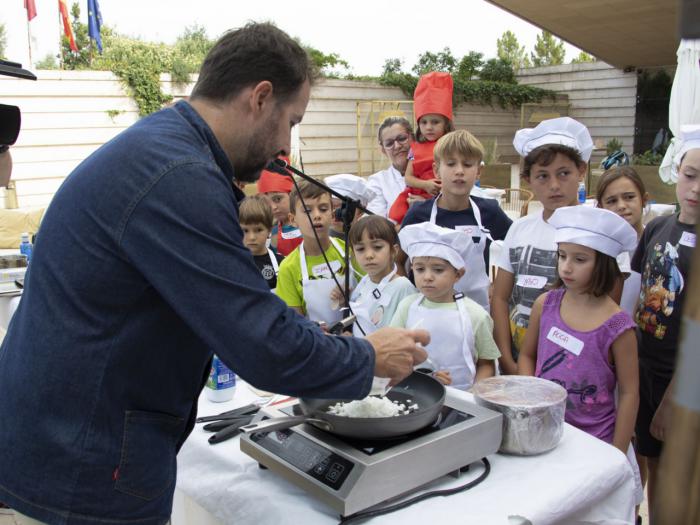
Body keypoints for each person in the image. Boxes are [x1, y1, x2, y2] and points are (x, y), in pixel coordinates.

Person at [0, 23, 429, 525]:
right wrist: (367, 356)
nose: (284, 148)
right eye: (291, 121)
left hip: (67, 443)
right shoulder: (178, 176)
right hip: (80, 469)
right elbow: (262, 344)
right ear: (261, 98)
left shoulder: (162, 148)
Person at [517, 205, 643, 505]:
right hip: (544, 433)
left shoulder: (618, 326)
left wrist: (616, 454)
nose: (566, 268)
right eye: (562, 256)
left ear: (603, 264)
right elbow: (527, 356)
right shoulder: (546, 304)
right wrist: (532, 398)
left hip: (595, 442)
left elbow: (629, 393)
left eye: (580, 259)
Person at [631, 124, 699, 522]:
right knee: (652, 460)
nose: (696, 189)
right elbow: (639, 294)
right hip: (646, 368)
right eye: (691, 175)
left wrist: (674, 400)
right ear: (677, 172)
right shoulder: (657, 227)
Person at [492, 117, 593, 374]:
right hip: (516, 362)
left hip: (571, 368)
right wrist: (506, 359)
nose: (554, 185)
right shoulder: (520, 229)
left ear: (581, 170)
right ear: (528, 179)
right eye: (542, 176)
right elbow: (502, 298)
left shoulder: (595, 231)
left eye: (564, 173)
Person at [400, 130, 512, 311]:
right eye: (451, 164)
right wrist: (408, 295)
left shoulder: (489, 211)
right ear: (436, 170)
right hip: (427, 312)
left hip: (476, 312)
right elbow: (397, 260)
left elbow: (515, 249)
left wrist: (499, 287)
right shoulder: (418, 214)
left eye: (467, 165)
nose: (459, 171)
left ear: (479, 171)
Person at [391, 223, 500, 390]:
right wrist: (425, 378)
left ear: (458, 274)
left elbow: (486, 364)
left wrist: (474, 395)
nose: (427, 277)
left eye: (438, 270)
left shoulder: (476, 314)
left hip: (463, 400)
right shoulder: (406, 307)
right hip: (414, 393)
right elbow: (395, 352)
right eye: (420, 269)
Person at [275, 179, 357, 326]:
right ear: (293, 219)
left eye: (323, 209)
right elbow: (295, 324)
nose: (317, 215)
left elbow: (369, 294)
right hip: (316, 343)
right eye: (307, 210)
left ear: (332, 216)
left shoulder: (349, 252)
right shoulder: (288, 268)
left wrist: (352, 298)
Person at [388, 72, 454, 224]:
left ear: (446, 123)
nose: (429, 127)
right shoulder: (415, 148)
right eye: (423, 122)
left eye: (435, 122)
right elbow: (408, 178)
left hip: (444, 201)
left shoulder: (452, 146)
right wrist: (425, 185)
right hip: (414, 198)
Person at [347, 215, 416, 337]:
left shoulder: (403, 287)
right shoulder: (364, 282)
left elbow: (411, 332)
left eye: (377, 247)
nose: (368, 255)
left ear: (394, 251)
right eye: (360, 249)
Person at [596, 167, 649, 315]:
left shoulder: (656, 245)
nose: (621, 206)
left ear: (644, 200)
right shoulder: (597, 250)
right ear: (601, 207)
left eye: (629, 197)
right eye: (612, 201)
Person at [366, 117, 413, 217]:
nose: (397, 146)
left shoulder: (433, 170)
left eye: (402, 138)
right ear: (383, 150)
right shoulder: (378, 182)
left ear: (412, 138)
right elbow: (376, 223)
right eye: (389, 143)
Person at [256, 158, 302, 256]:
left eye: (277, 199)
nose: (273, 207)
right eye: (267, 202)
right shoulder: (271, 229)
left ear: (292, 195)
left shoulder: (306, 224)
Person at [239, 195, 284, 291]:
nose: (252, 237)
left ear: (269, 230)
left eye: (258, 230)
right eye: (245, 230)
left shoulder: (282, 263)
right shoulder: (233, 262)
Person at [324, 173, 375, 239]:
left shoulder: (371, 239)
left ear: (361, 211)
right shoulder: (317, 240)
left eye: (341, 206)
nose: (333, 212)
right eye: (326, 207)